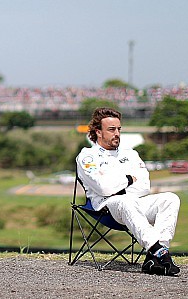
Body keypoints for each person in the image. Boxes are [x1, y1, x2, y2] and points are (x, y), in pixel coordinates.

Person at [76, 107, 181, 276]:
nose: (117, 133)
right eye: (111, 129)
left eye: (119, 129)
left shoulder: (130, 154)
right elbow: (103, 188)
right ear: (99, 132)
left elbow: (144, 186)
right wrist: (129, 179)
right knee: (126, 201)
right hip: (106, 207)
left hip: (135, 203)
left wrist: (116, 183)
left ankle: (153, 259)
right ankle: (161, 254)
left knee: (170, 198)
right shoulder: (88, 156)